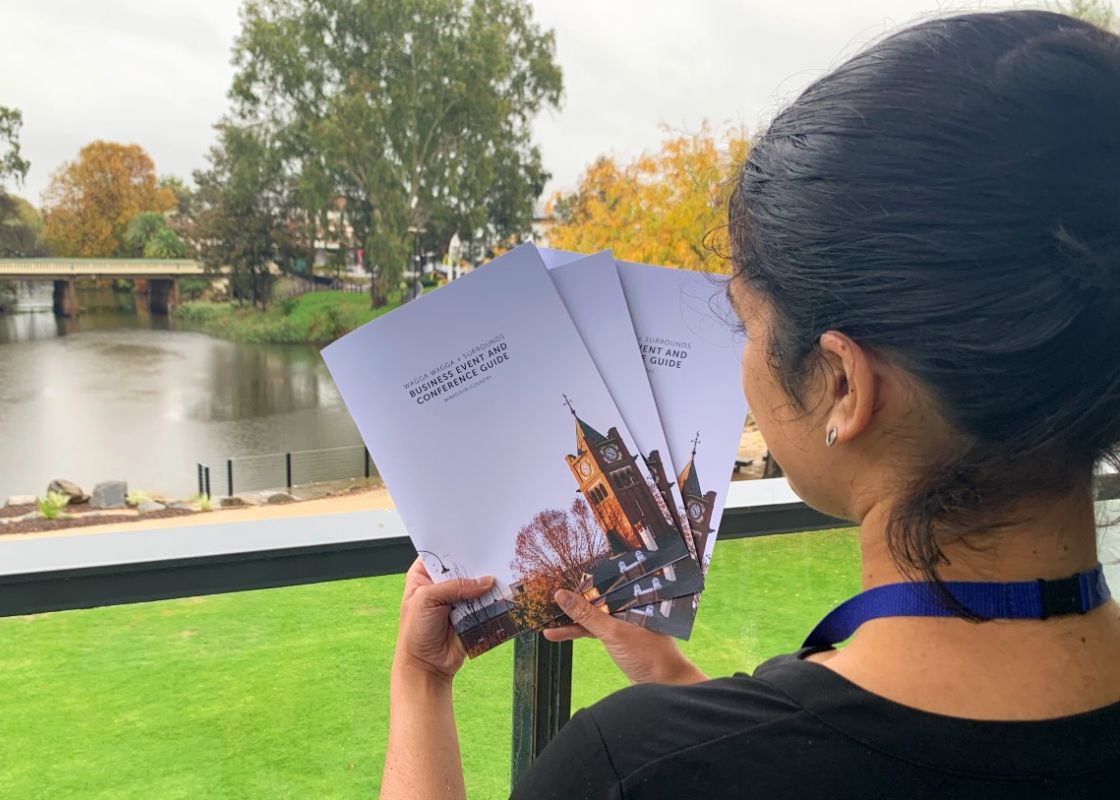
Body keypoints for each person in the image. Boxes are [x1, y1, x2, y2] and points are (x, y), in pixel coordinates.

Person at [380, 10, 1120, 798]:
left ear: (843, 384)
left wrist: (420, 683)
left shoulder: (625, 769)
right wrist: (671, 676)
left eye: (745, 323)